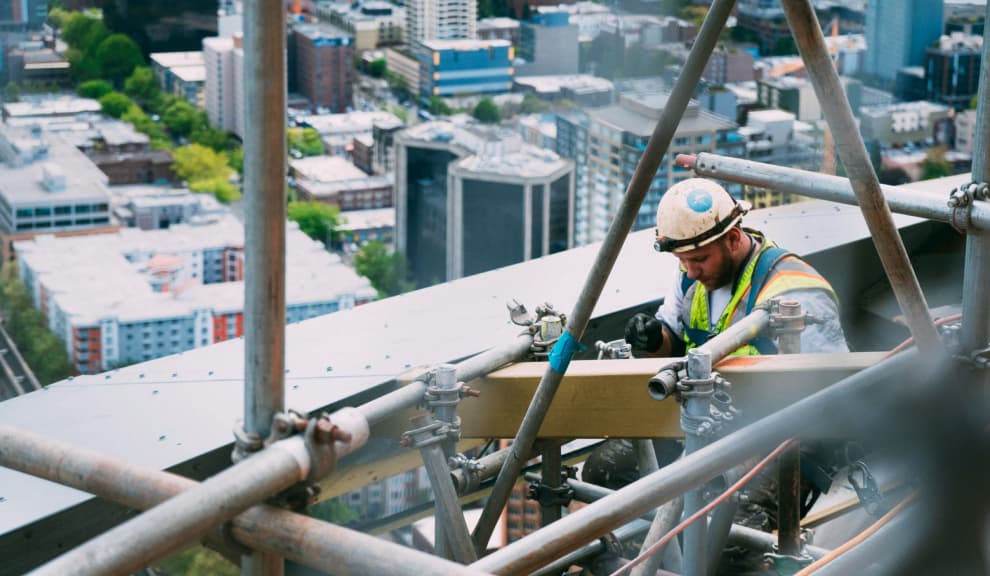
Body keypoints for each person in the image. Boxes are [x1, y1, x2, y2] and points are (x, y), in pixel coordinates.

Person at [625, 178, 848, 358]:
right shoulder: (689, 275)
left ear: (732, 239)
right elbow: (674, 342)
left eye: (700, 259)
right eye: (682, 260)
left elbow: (826, 385)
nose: (691, 271)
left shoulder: (796, 293)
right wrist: (654, 340)